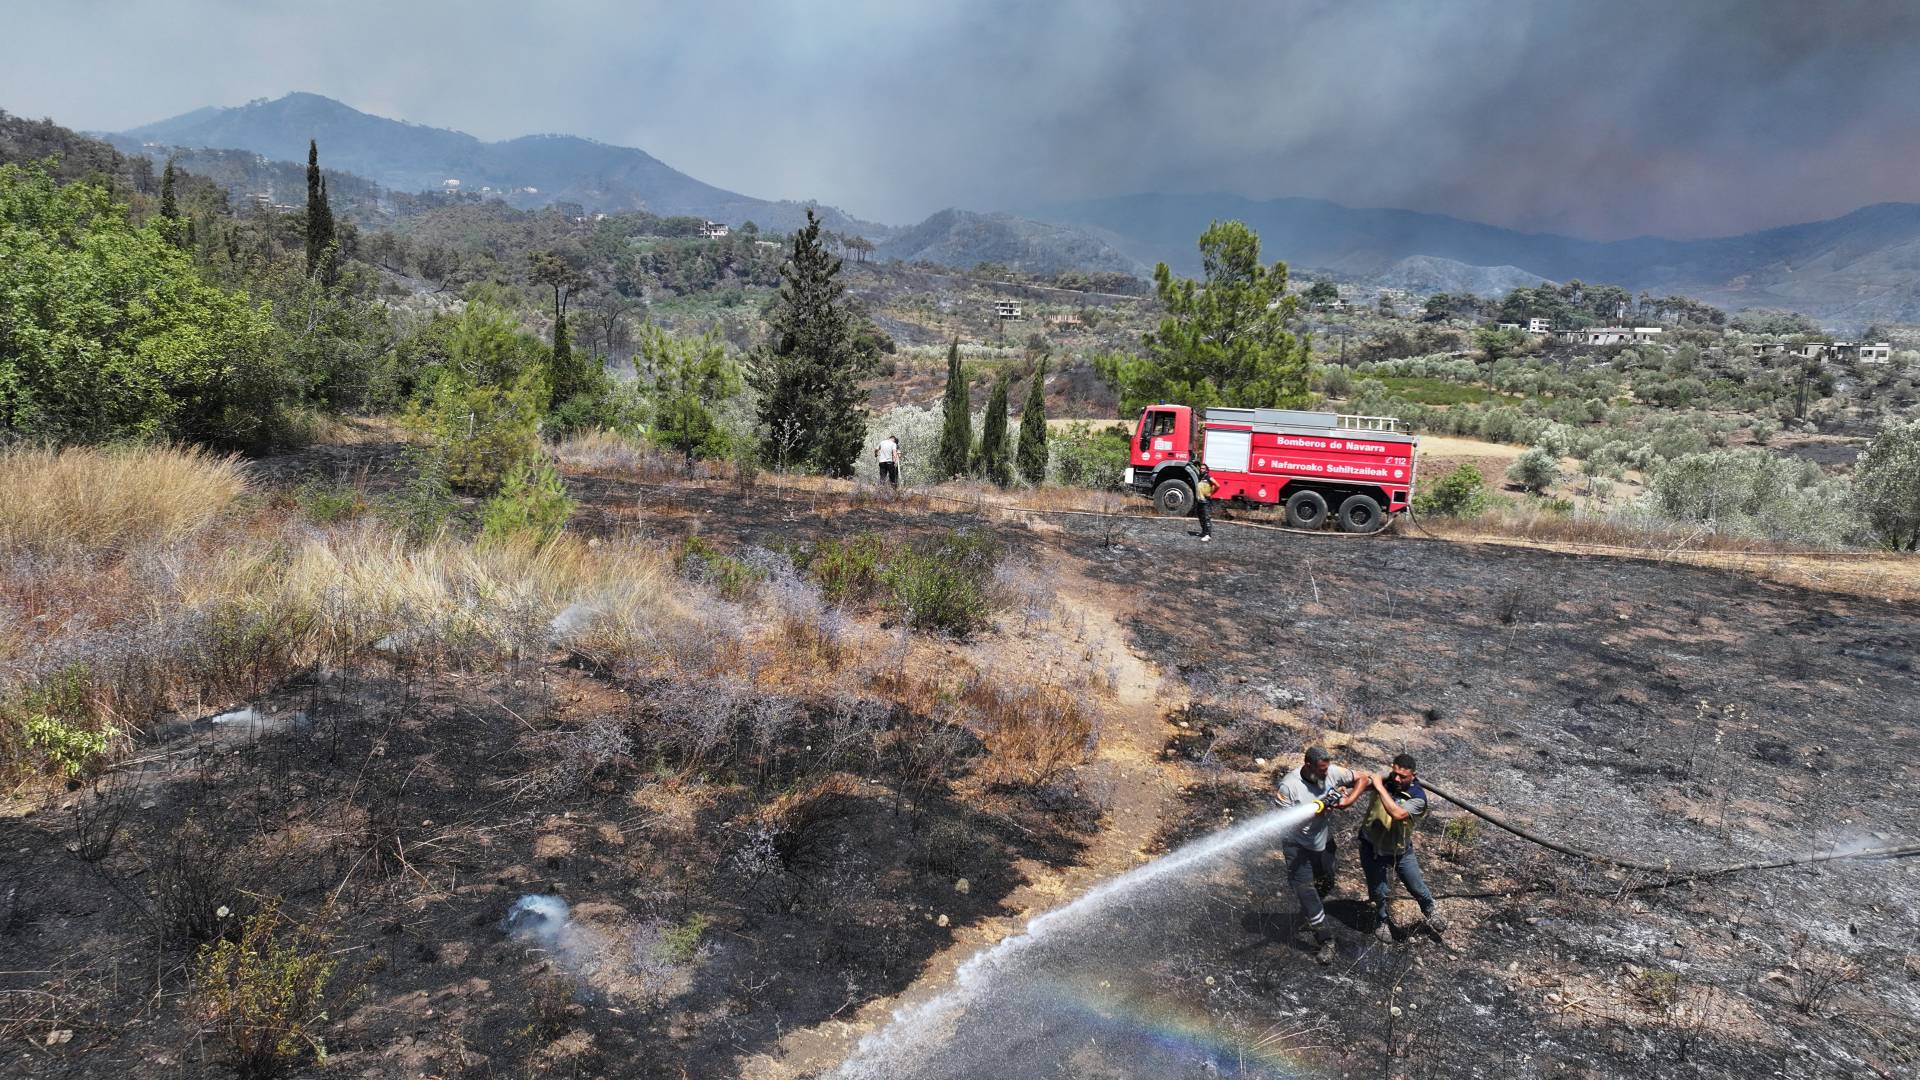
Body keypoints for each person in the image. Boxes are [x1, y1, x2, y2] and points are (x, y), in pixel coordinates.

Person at [1275, 746, 1372, 964]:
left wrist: (1347, 800)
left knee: (1327, 882)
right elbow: (1285, 821)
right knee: (1306, 890)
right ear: (1308, 765)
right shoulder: (1289, 787)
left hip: (1323, 842)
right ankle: (1326, 939)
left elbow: (1363, 778)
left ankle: (1310, 914)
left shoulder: (1333, 772)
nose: (1325, 774)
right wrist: (1316, 811)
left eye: (1327, 769)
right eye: (1321, 770)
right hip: (1297, 846)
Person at [1357, 753, 1446, 943]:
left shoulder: (1418, 798)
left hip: (1400, 850)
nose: (1397, 779)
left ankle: (1430, 910)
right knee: (1379, 890)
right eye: (1394, 773)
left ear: (1413, 775)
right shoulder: (1385, 780)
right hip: (1370, 847)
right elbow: (1360, 779)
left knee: (1416, 885)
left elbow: (1397, 813)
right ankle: (1381, 921)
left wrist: (1380, 787)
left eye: (1402, 776)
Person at [1194, 464, 1217, 542]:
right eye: (1200, 468)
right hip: (1200, 500)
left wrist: (1211, 493)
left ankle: (1208, 535)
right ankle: (1203, 532)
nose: (1201, 470)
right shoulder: (1200, 477)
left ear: (1206, 470)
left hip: (1206, 501)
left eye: (1203, 468)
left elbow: (1217, 485)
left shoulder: (1208, 477)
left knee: (1206, 518)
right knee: (1201, 517)